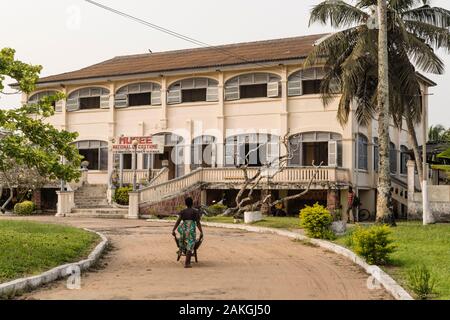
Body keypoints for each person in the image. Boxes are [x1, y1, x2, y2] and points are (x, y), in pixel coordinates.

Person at [172, 197, 204, 268]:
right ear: (192, 203)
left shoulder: (183, 211)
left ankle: (186, 259)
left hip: (184, 229)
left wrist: (173, 229)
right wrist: (201, 231)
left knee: (185, 242)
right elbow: (198, 223)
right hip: (191, 230)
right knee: (190, 244)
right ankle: (187, 263)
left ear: (185, 204)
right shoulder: (195, 211)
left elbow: (178, 221)